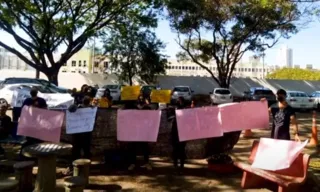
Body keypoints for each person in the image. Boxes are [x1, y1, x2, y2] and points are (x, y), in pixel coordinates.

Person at [64, 96, 94, 175]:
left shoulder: (91, 109)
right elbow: (70, 110)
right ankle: (73, 167)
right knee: (79, 150)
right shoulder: (78, 108)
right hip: (80, 133)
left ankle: (84, 167)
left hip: (82, 133)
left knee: (82, 151)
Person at [20, 87, 48, 159]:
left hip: (38, 123)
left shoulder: (41, 100)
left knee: (38, 140)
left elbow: (45, 111)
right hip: (30, 124)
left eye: (34, 91)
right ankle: (26, 155)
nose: (33, 92)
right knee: (30, 140)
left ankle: (37, 156)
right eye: (33, 91)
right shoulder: (27, 101)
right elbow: (24, 111)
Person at [127, 94, 152, 171]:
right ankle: (132, 163)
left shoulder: (147, 108)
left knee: (145, 147)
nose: (141, 100)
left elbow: (152, 116)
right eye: (140, 99)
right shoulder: (133, 107)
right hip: (135, 130)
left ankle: (146, 163)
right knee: (133, 147)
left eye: (142, 99)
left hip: (144, 130)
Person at [171, 97, 187, 171]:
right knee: (175, 150)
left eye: (180, 101)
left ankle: (181, 165)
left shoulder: (185, 110)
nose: (179, 102)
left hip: (182, 133)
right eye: (178, 101)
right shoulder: (174, 110)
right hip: (175, 133)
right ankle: (176, 164)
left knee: (181, 150)